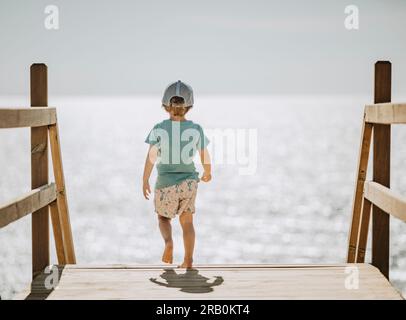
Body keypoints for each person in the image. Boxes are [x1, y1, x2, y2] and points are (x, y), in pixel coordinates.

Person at [143, 80, 211, 269]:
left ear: (165, 106)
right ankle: (188, 260)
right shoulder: (196, 129)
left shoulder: (159, 128)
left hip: (166, 183)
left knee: (164, 218)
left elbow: (150, 157)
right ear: (189, 106)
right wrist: (208, 171)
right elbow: (204, 154)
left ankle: (168, 243)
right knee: (187, 221)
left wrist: (145, 179)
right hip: (189, 182)